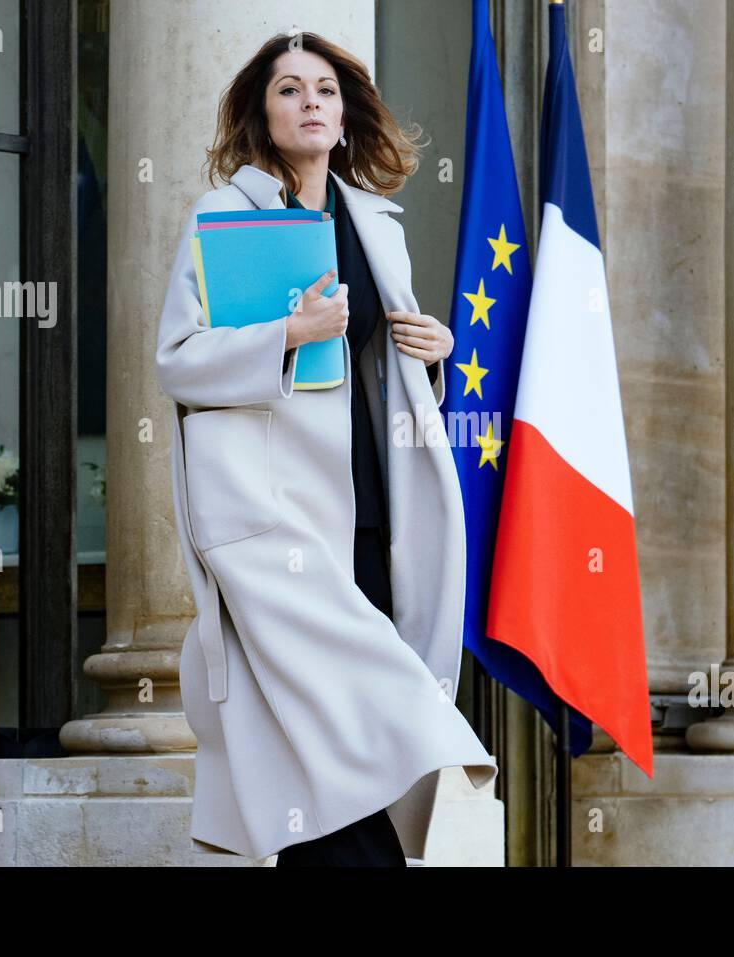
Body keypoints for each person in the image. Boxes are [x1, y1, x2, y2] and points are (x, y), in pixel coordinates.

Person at [155, 31, 498, 867]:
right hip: (279, 526)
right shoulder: (224, 219)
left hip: (376, 517)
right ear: (262, 117)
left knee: (344, 737)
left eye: (325, 91)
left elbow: (374, 379)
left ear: (345, 117)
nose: (310, 102)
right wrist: (287, 333)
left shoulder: (378, 227)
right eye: (288, 91)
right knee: (319, 729)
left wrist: (434, 352)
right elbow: (178, 363)